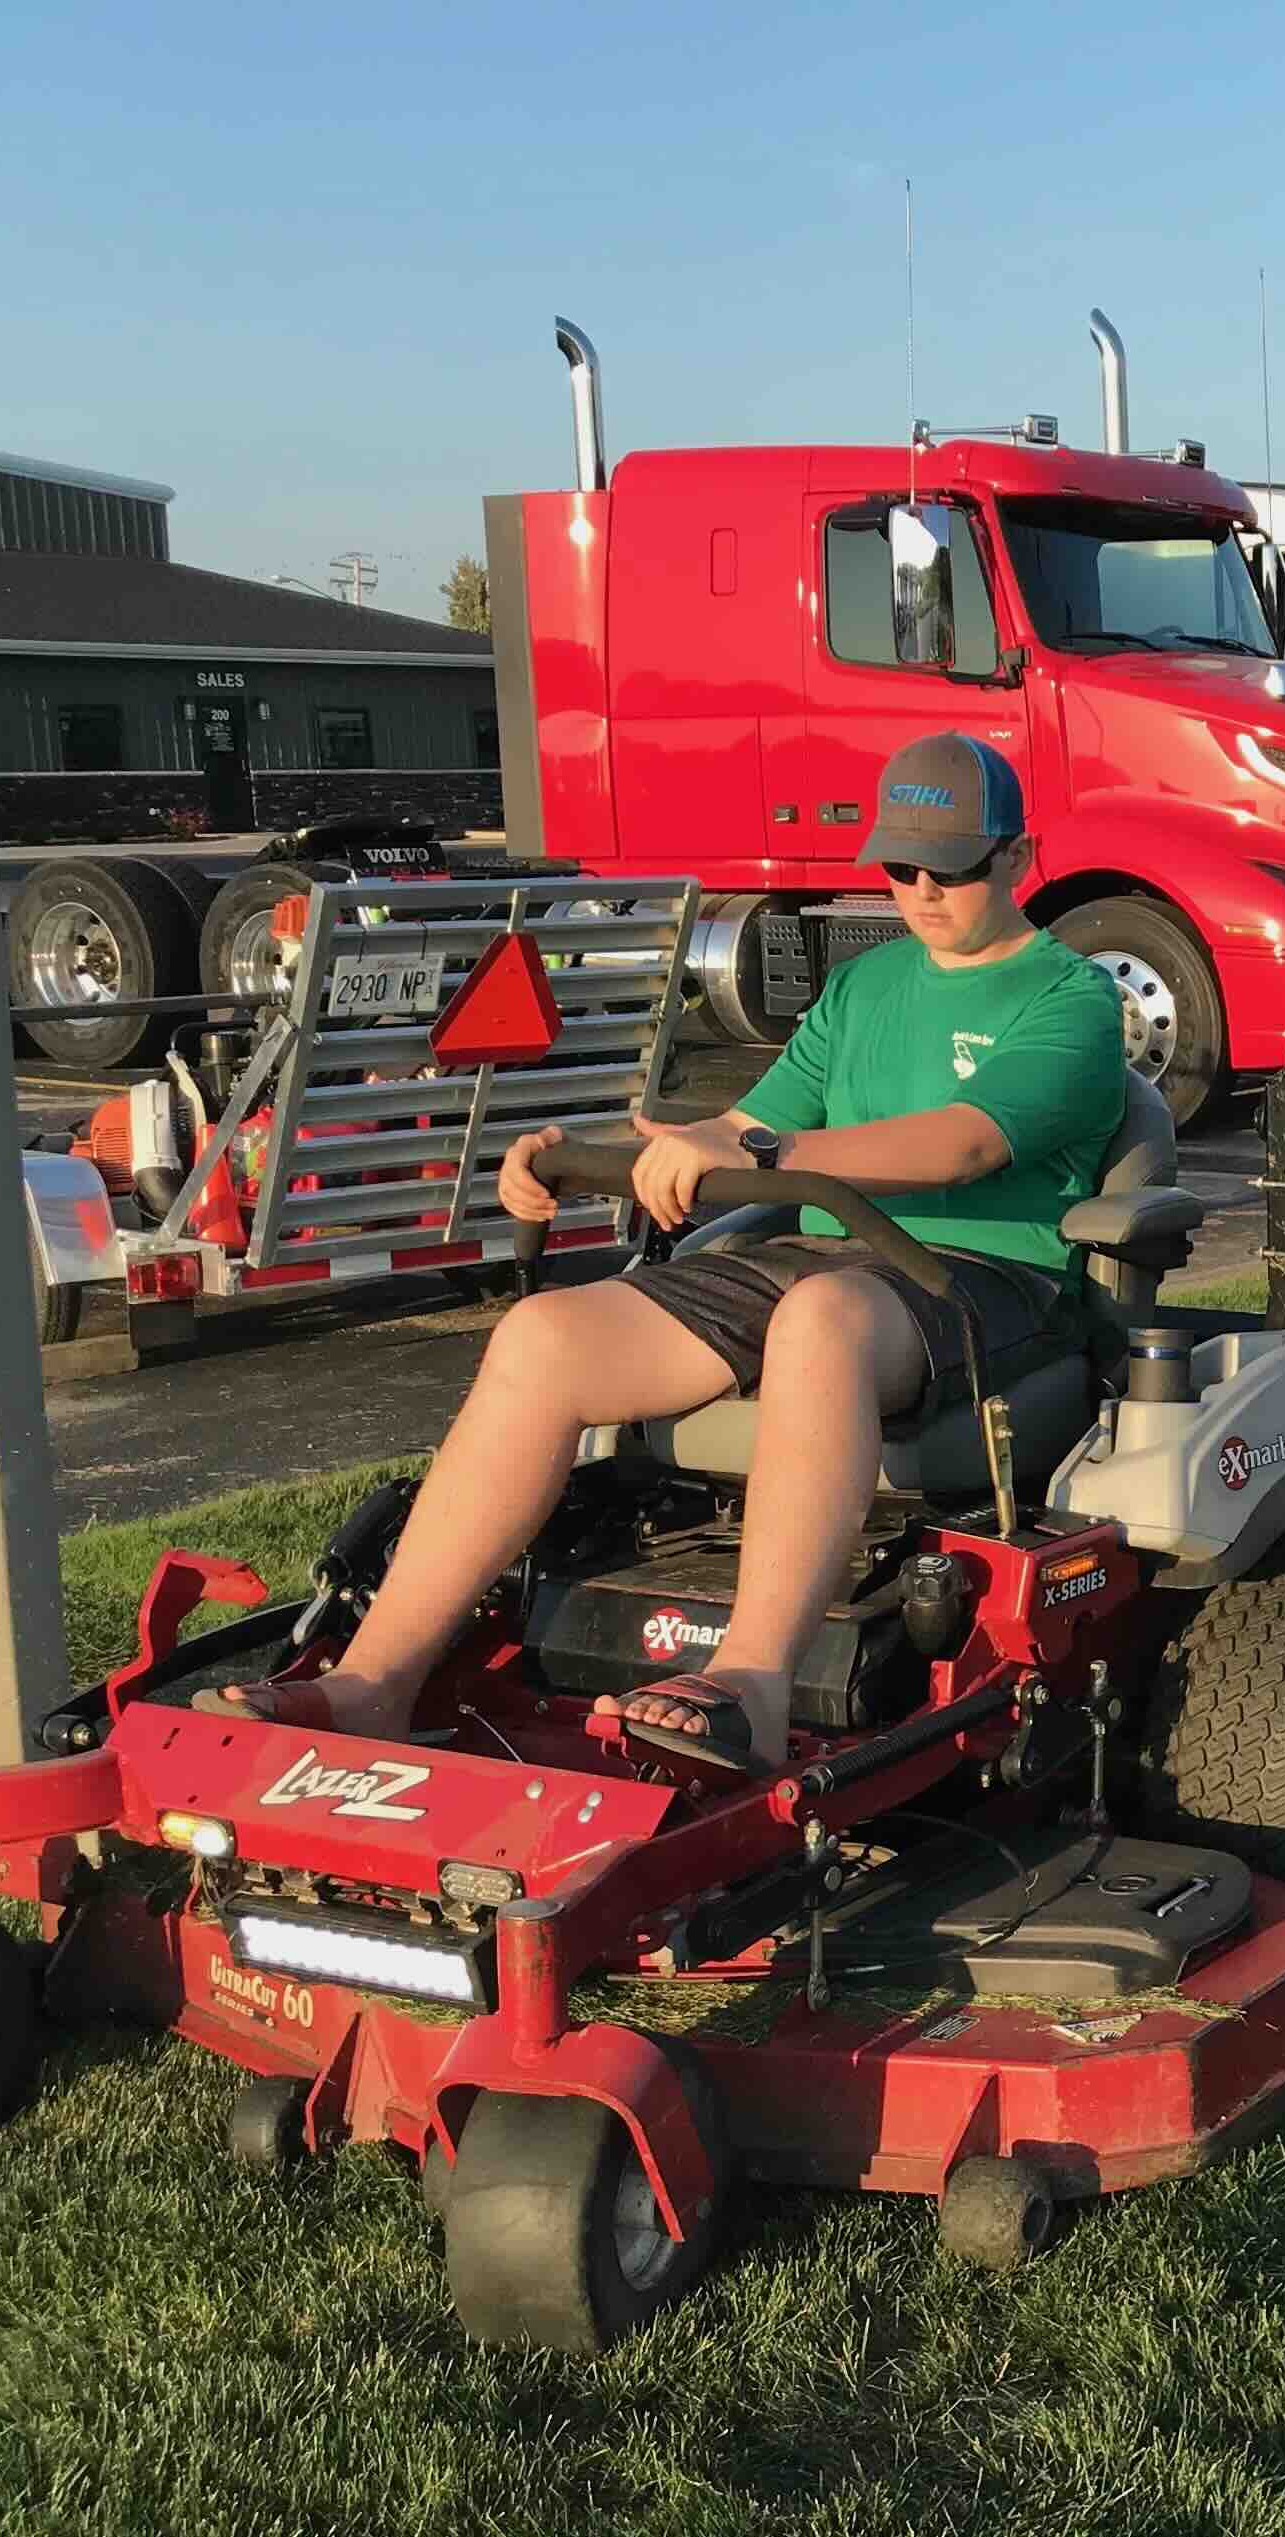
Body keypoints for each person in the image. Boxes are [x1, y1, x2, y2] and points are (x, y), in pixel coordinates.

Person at [202, 733, 1126, 1774]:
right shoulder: (869, 988)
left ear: (1016, 857)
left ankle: (752, 1683)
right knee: (544, 1333)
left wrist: (774, 1151)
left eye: (949, 868)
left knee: (819, 1324)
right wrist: (587, 1156)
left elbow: (967, 1140)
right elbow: (747, 1126)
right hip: (821, 1255)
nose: (921, 889)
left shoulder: (1070, 997)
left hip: (980, 1278)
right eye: (900, 865)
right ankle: (374, 1682)